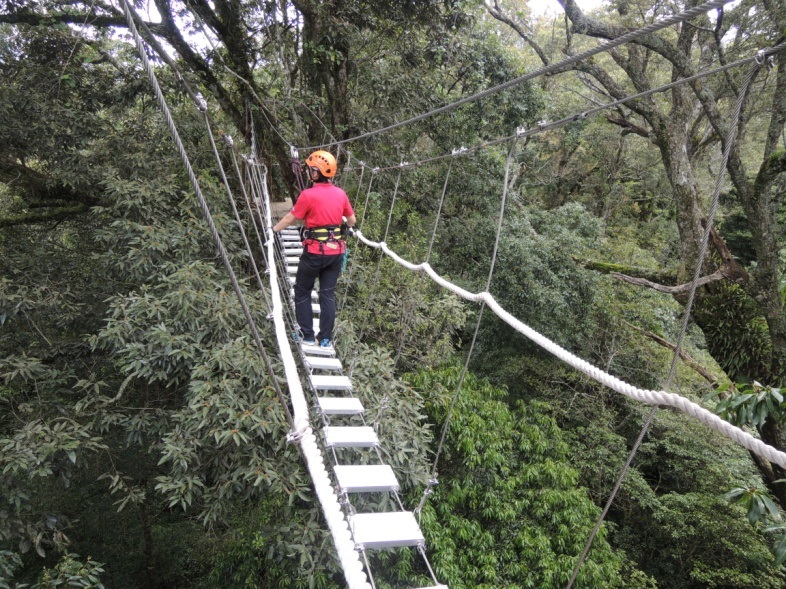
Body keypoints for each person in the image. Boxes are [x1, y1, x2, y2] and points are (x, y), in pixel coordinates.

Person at [272, 150, 356, 348]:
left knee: (302, 291)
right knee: (327, 294)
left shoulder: (307, 195)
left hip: (314, 254)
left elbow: (290, 218)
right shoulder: (341, 194)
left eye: (310, 170)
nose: (308, 172)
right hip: (336, 253)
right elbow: (352, 221)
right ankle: (325, 338)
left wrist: (272, 230)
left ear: (316, 173)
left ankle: (307, 335)